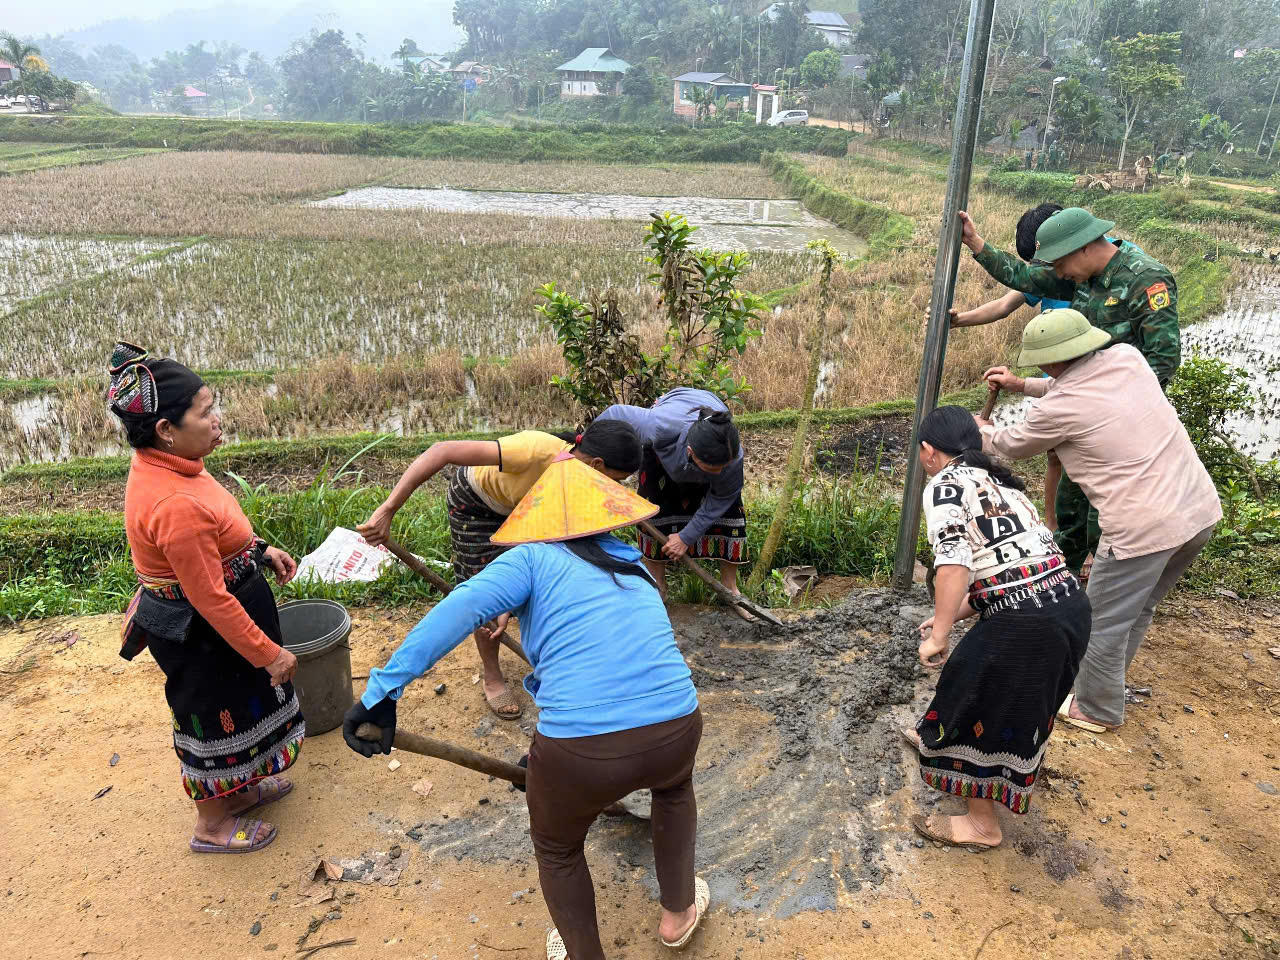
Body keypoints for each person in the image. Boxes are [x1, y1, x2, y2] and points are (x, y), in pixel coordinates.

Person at [342, 455, 711, 960]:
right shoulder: (631, 560)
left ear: (535, 516)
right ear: (605, 513)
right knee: (672, 790)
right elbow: (599, 628)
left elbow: (459, 609)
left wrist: (381, 693)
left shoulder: (530, 559)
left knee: (559, 848)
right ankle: (679, 915)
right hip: (676, 726)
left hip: (582, 751)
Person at [980, 310, 1221, 733]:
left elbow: (1010, 446)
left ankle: (1095, 708)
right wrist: (1023, 387)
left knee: (1102, 619)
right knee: (1137, 608)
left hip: (1141, 529)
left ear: (1049, 360)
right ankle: (1102, 684)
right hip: (1197, 510)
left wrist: (982, 429)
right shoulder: (1127, 358)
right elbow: (1074, 384)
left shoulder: (1057, 409)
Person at [109, 341, 303, 854]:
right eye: (205, 411)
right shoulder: (173, 501)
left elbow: (219, 530)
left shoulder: (176, 463)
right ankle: (212, 824)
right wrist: (270, 653)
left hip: (219, 625)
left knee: (239, 708)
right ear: (166, 430)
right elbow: (212, 600)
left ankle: (238, 794)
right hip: (204, 635)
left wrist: (259, 550)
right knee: (217, 715)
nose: (218, 419)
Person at [358, 421, 641, 720]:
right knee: (486, 597)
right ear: (597, 464)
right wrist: (388, 509)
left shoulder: (580, 477)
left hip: (524, 511)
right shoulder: (534, 451)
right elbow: (441, 451)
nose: (617, 487)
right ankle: (492, 677)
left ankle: (550, 658)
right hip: (478, 505)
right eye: (618, 479)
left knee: (541, 587)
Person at [958, 204, 1180, 575]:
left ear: (1084, 248)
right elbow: (1025, 277)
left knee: (1105, 517)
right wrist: (975, 243)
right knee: (1072, 510)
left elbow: (1162, 362)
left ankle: (1109, 584)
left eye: (1058, 263)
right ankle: (1062, 582)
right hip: (1083, 412)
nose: (1056, 273)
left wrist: (1115, 410)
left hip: (1120, 423)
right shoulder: (1080, 276)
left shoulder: (1147, 280)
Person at [907, 405, 1090, 851]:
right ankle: (936, 736)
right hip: (1068, 607)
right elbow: (1008, 566)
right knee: (996, 692)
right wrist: (955, 614)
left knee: (977, 698)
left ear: (929, 451)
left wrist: (940, 634)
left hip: (1028, 624)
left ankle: (982, 826)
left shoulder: (945, 485)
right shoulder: (1002, 482)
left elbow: (954, 564)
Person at [595, 388, 750, 616]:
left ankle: (730, 589)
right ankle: (658, 587)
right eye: (712, 469)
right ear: (690, 452)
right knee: (655, 504)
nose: (719, 473)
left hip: (703, 436)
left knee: (731, 509)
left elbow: (722, 496)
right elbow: (613, 414)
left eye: (722, 468)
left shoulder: (732, 457)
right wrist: (595, 460)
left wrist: (686, 537)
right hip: (668, 444)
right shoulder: (658, 426)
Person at [949, 203, 1070, 329]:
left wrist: (973, 240)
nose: (1039, 268)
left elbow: (1017, 275)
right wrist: (957, 320)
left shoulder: (1086, 279)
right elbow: (1004, 305)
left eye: (1042, 261)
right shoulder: (1048, 277)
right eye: (1035, 262)